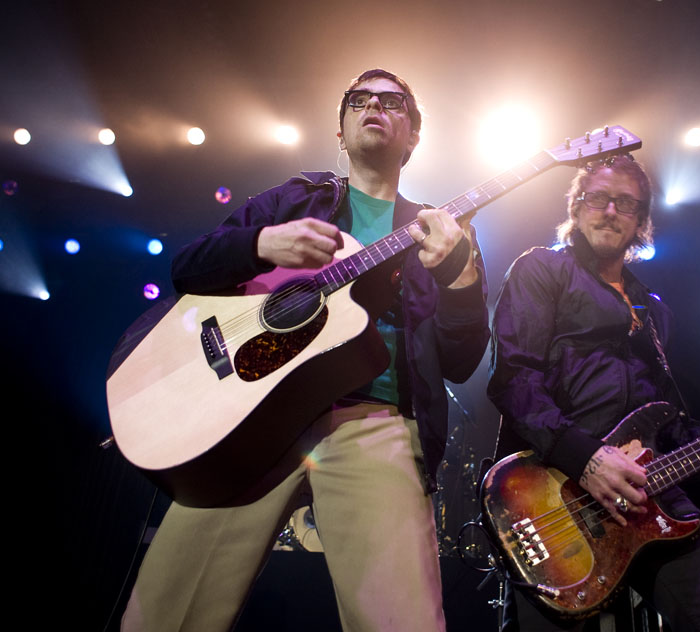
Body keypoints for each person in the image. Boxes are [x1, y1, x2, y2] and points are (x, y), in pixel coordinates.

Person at [122, 69, 490, 631]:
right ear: (340, 131)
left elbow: (462, 363)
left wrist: (459, 278)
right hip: (252, 419)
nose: (375, 107)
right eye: (360, 99)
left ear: (413, 136)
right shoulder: (296, 199)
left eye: (393, 103)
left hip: (375, 421)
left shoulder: (440, 231)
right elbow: (187, 266)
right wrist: (260, 242)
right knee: (167, 615)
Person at [487, 154, 700, 631]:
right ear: (577, 206)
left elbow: (667, 425)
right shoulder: (542, 269)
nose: (610, 211)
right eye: (599, 198)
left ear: (642, 220)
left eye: (626, 204)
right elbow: (514, 379)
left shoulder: (653, 310)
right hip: (554, 496)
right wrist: (585, 458)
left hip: (652, 498)